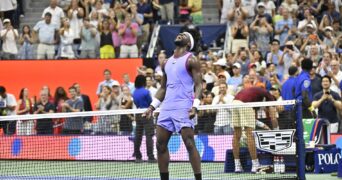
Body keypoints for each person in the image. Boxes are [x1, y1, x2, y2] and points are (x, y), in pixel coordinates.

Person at [143, 32, 202, 180]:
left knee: (189, 143)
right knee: (160, 145)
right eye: (180, 33)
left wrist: (195, 106)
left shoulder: (191, 60)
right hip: (166, 108)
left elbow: (199, 85)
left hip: (184, 106)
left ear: (189, 44)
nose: (181, 34)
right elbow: (163, 88)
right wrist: (151, 107)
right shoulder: (166, 63)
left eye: (185, 35)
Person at [232, 87, 276, 173]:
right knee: (249, 134)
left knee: (237, 135)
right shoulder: (269, 95)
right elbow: (273, 114)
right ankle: (255, 164)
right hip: (245, 104)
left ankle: (237, 166)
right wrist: (275, 129)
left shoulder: (256, 95)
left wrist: (262, 125)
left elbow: (253, 115)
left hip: (234, 103)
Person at [133, 75, 156, 163]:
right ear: (143, 82)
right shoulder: (146, 92)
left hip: (138, 114)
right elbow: (151, 103)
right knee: (149, 135)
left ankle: (138, 157)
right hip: (147, 114)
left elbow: (135, 102)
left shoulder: (134, 92)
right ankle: (150, 157)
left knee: (138, 136)